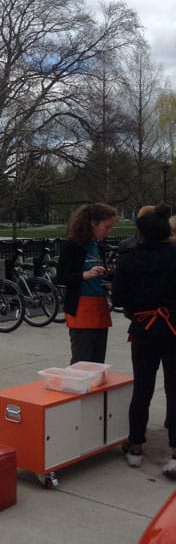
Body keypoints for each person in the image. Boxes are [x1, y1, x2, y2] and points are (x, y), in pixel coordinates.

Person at [111, 205, 176, 477]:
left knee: (142, 389)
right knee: (175, 389)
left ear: (141, 232)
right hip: (174, 328)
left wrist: (136, 310)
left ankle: (136, 447)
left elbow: (118, 299)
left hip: (144, 329)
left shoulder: (128, 260)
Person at [57, 203, 117, 364]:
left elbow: (101, 276)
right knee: (82, 360)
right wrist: (84, 275)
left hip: (100, 306)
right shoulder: (73, 246)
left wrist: (109, 280)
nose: (109, 231)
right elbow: (61, 277)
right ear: (93, 224)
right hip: (81, 308)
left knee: (98, 361)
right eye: (106, 227)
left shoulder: (99, 247)